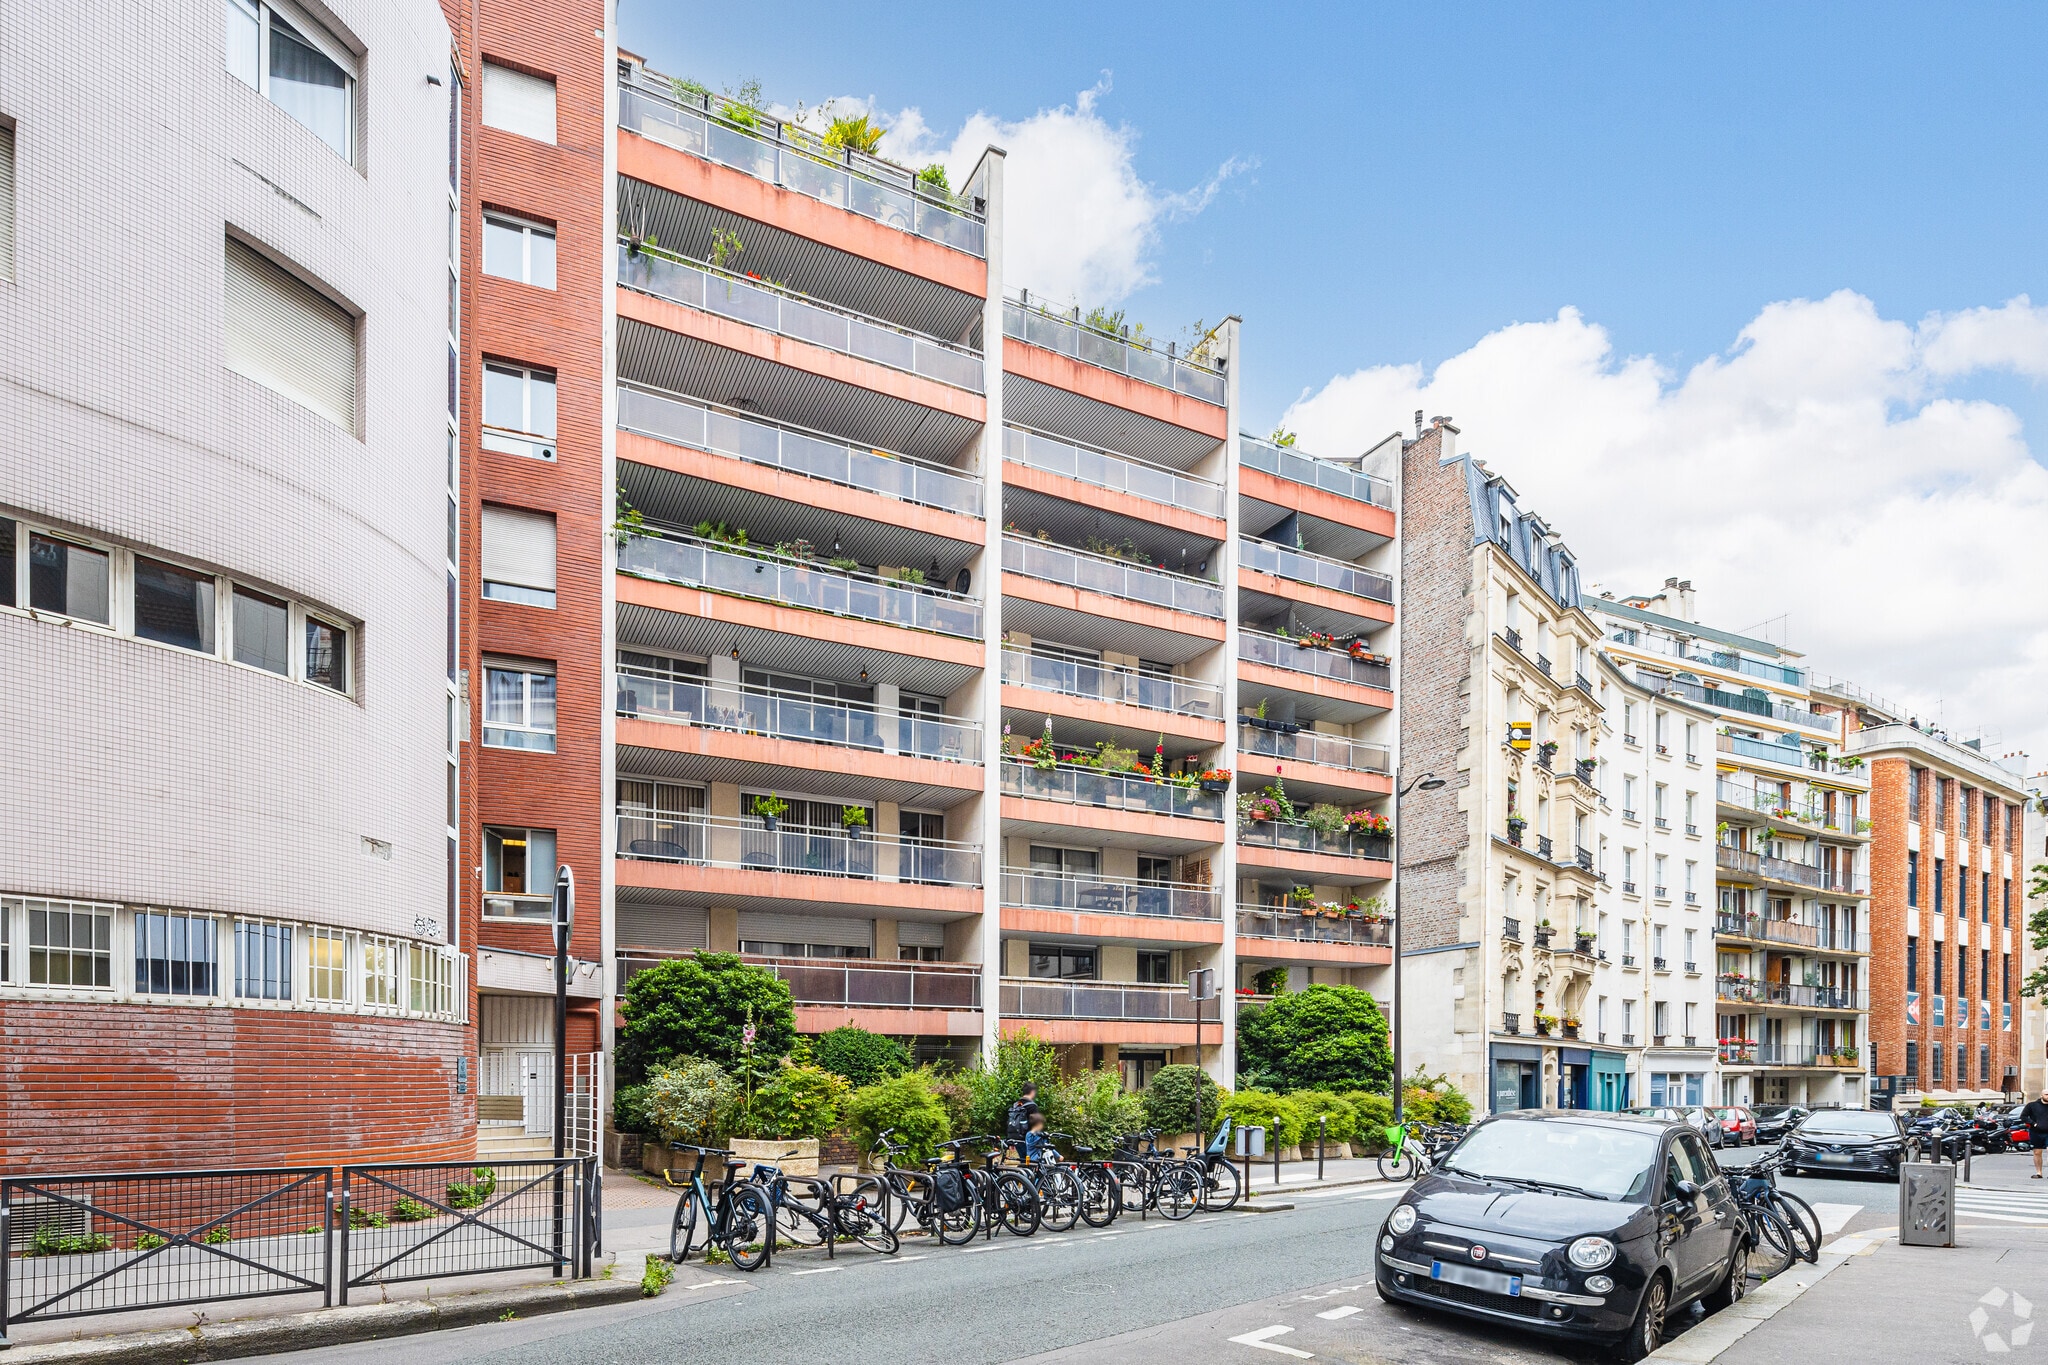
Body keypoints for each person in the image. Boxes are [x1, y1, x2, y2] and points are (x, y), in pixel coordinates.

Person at [2021, 1090, 2048, 1179]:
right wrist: (2033, 1123)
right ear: (2041, 1095)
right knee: (2037, 1152)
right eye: (2046, 1094)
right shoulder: (2032, 1105)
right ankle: (2039, 1172)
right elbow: (2023, 1116)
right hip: (2036, 1132)